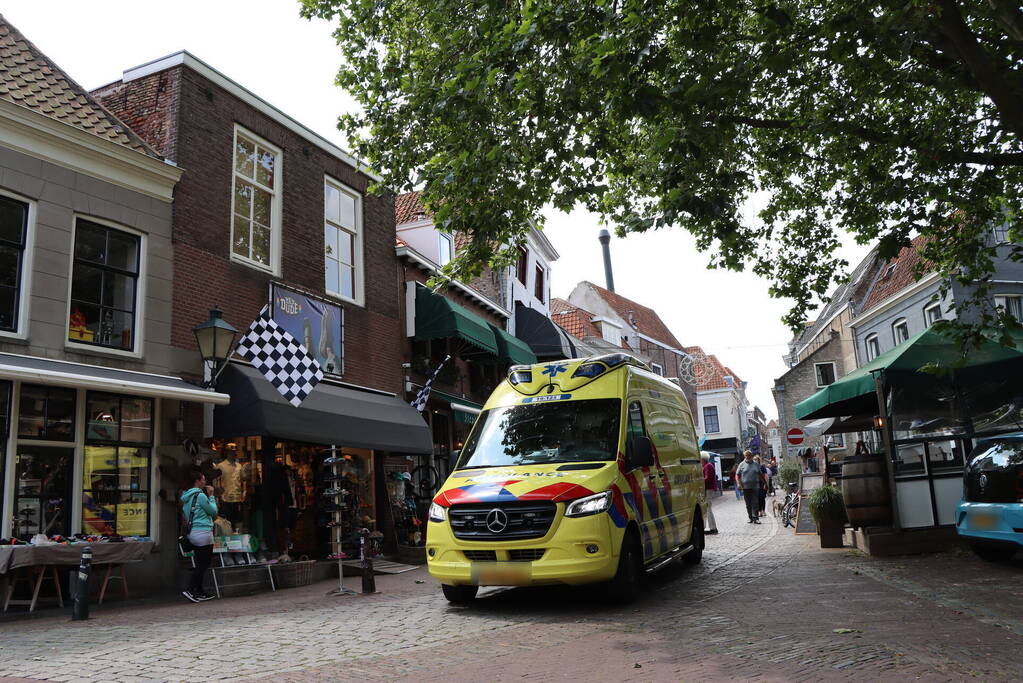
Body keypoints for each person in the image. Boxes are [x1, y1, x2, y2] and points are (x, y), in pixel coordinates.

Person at [181, 465, 218, 602]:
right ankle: (190, 589)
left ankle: (200, 591)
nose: (205, 482)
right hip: (203, 532)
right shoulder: (201, 495)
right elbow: (213, 511)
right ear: (197, 481)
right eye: (203, 479)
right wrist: (212, 497)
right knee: (203, 564)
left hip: (193, 533)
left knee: (200, 563)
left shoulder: (186, 496)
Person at [735, 450, 767, 524]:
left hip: (755, 486)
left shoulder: (756, 464)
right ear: (745, 456)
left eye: (749, 455)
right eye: (746, 456)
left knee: (755, 502)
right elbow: (737, 475)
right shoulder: (741, 464)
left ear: (752, 456)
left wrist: (765, 483)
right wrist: (738, 483)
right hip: (745, 487)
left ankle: (755, 518)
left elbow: (760, 474)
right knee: (748, 503)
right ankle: (750, 517)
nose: (748, 457)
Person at [701, 453, 719, 534]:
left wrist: (700, 482)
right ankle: (711, 527)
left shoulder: (708, 466)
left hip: (708, 489)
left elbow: (707, 478)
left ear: (703, 459)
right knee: (707, 508)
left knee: (708, 508)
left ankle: (713, 528)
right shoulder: (708, 465)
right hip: (708, 488)